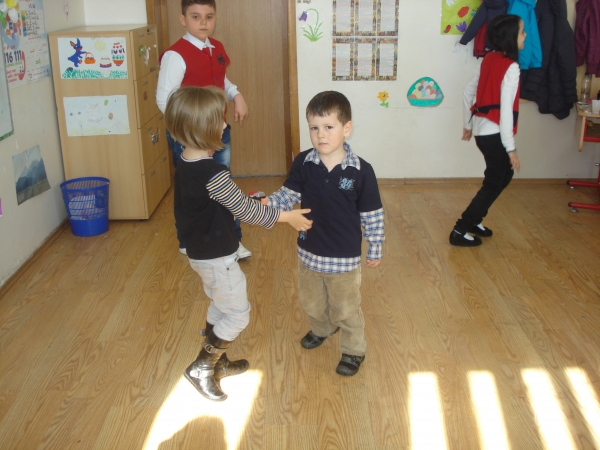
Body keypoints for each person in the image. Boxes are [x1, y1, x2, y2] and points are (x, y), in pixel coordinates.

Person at [165, 85, 313, 401]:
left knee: (220, 304)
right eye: (219, 119)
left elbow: (220, 202)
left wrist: (250, 201)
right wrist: (287, 216)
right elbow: (245, 211)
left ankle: (219, 362)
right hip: (218, 256)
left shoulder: (185, 164)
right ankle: (202, 367)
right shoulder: (213, 173)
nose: (224, 124)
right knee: (237, 314)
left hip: (200, 253)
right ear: (203, 129)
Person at [261, 91, 385, 377]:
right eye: (314, 128)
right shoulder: (303, 162)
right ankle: (322, 328)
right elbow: (288, 194)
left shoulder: (361, 171)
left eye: (329, 127)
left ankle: (353, 349)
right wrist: (270, 203)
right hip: (309, 252)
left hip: (344, 258)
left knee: (346, 308)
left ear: (346, 128)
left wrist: (375, 245)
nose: (320, 135)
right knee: (311, 302)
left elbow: (372, 214)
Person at [157, 0, 251, 258]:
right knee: (192, 191)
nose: (203, 22)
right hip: (188, 136)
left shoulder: (216, 47)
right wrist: (191, 132)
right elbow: (164, 99)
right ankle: (189, 240)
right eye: (196, 16)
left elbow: (222, 79)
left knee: (223, 184)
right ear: (183, 19)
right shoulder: (175, 55)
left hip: (217, 131)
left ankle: (232, 239)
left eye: (209, 16)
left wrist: (237, 95)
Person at [450, 14, 526, 247]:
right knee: (494, 181)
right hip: (495, 134)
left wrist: (468, 124)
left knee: (504, 175)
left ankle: (474, 220)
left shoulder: (488, 59)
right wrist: (510, 148)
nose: (525, 36)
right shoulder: (511, 67)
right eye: (522, 32)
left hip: (483, 132)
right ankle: (460, 230)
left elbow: (466, 91)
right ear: (511, 38)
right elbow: (505, 111)